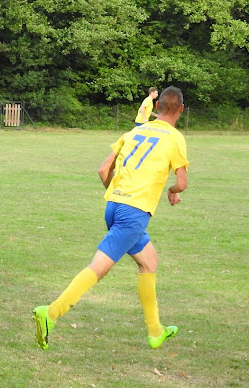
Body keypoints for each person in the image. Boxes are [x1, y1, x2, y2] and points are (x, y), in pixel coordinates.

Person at [32, 86, 189, 351]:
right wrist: (172, 192)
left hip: (114, 205)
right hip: (134, 213)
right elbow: (181, 183)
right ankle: (51, 313)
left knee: (149, 262)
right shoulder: (175, 138)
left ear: (158, 106)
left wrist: (116, 193)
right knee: (98, 268)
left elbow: (103, 169)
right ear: (181, 110)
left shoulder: (135, 130)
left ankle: (155, 331)